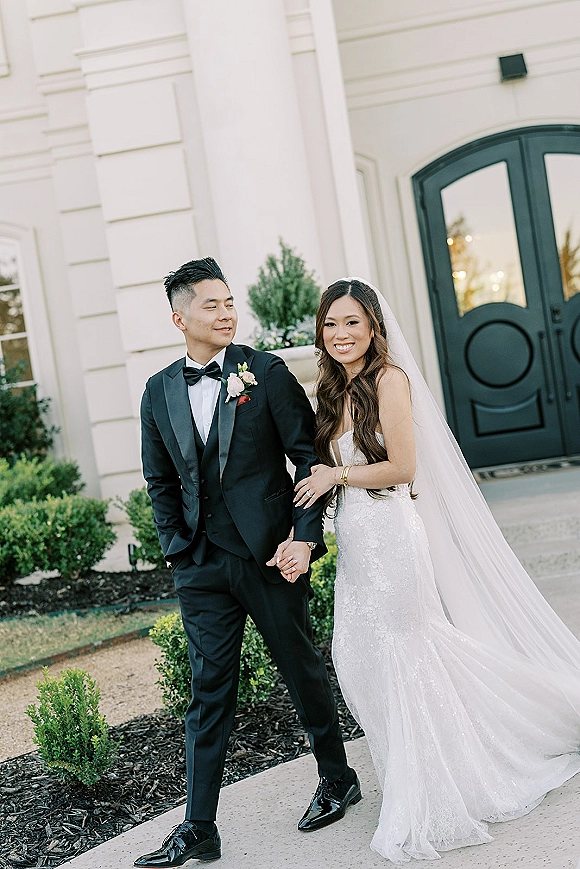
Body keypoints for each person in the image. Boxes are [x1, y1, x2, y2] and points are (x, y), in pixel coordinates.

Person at [291, 277, 580, 863]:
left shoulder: (389, 381)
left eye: (352, 322)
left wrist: (335, 476)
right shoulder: (333, 388)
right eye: (330, 324)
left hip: (393, 536)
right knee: (358, 654)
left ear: (374, 326)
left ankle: (436, 782)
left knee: (408, 653)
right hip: (356, 541)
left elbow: (403, 466)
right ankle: (409, 766)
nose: (341, 334)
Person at [134, 258, 360, 868]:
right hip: (201, 566)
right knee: (208, 689)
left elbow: (308, 460)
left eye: (230, 302)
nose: (227, 313)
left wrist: (304, 539)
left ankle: (338, 777)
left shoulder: (267, 374)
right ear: (179, 317)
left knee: (300, 668)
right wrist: (180, 553)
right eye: (212, 305)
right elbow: (159, 481)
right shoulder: (158, 390)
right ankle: (199, 827)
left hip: (269, 556)